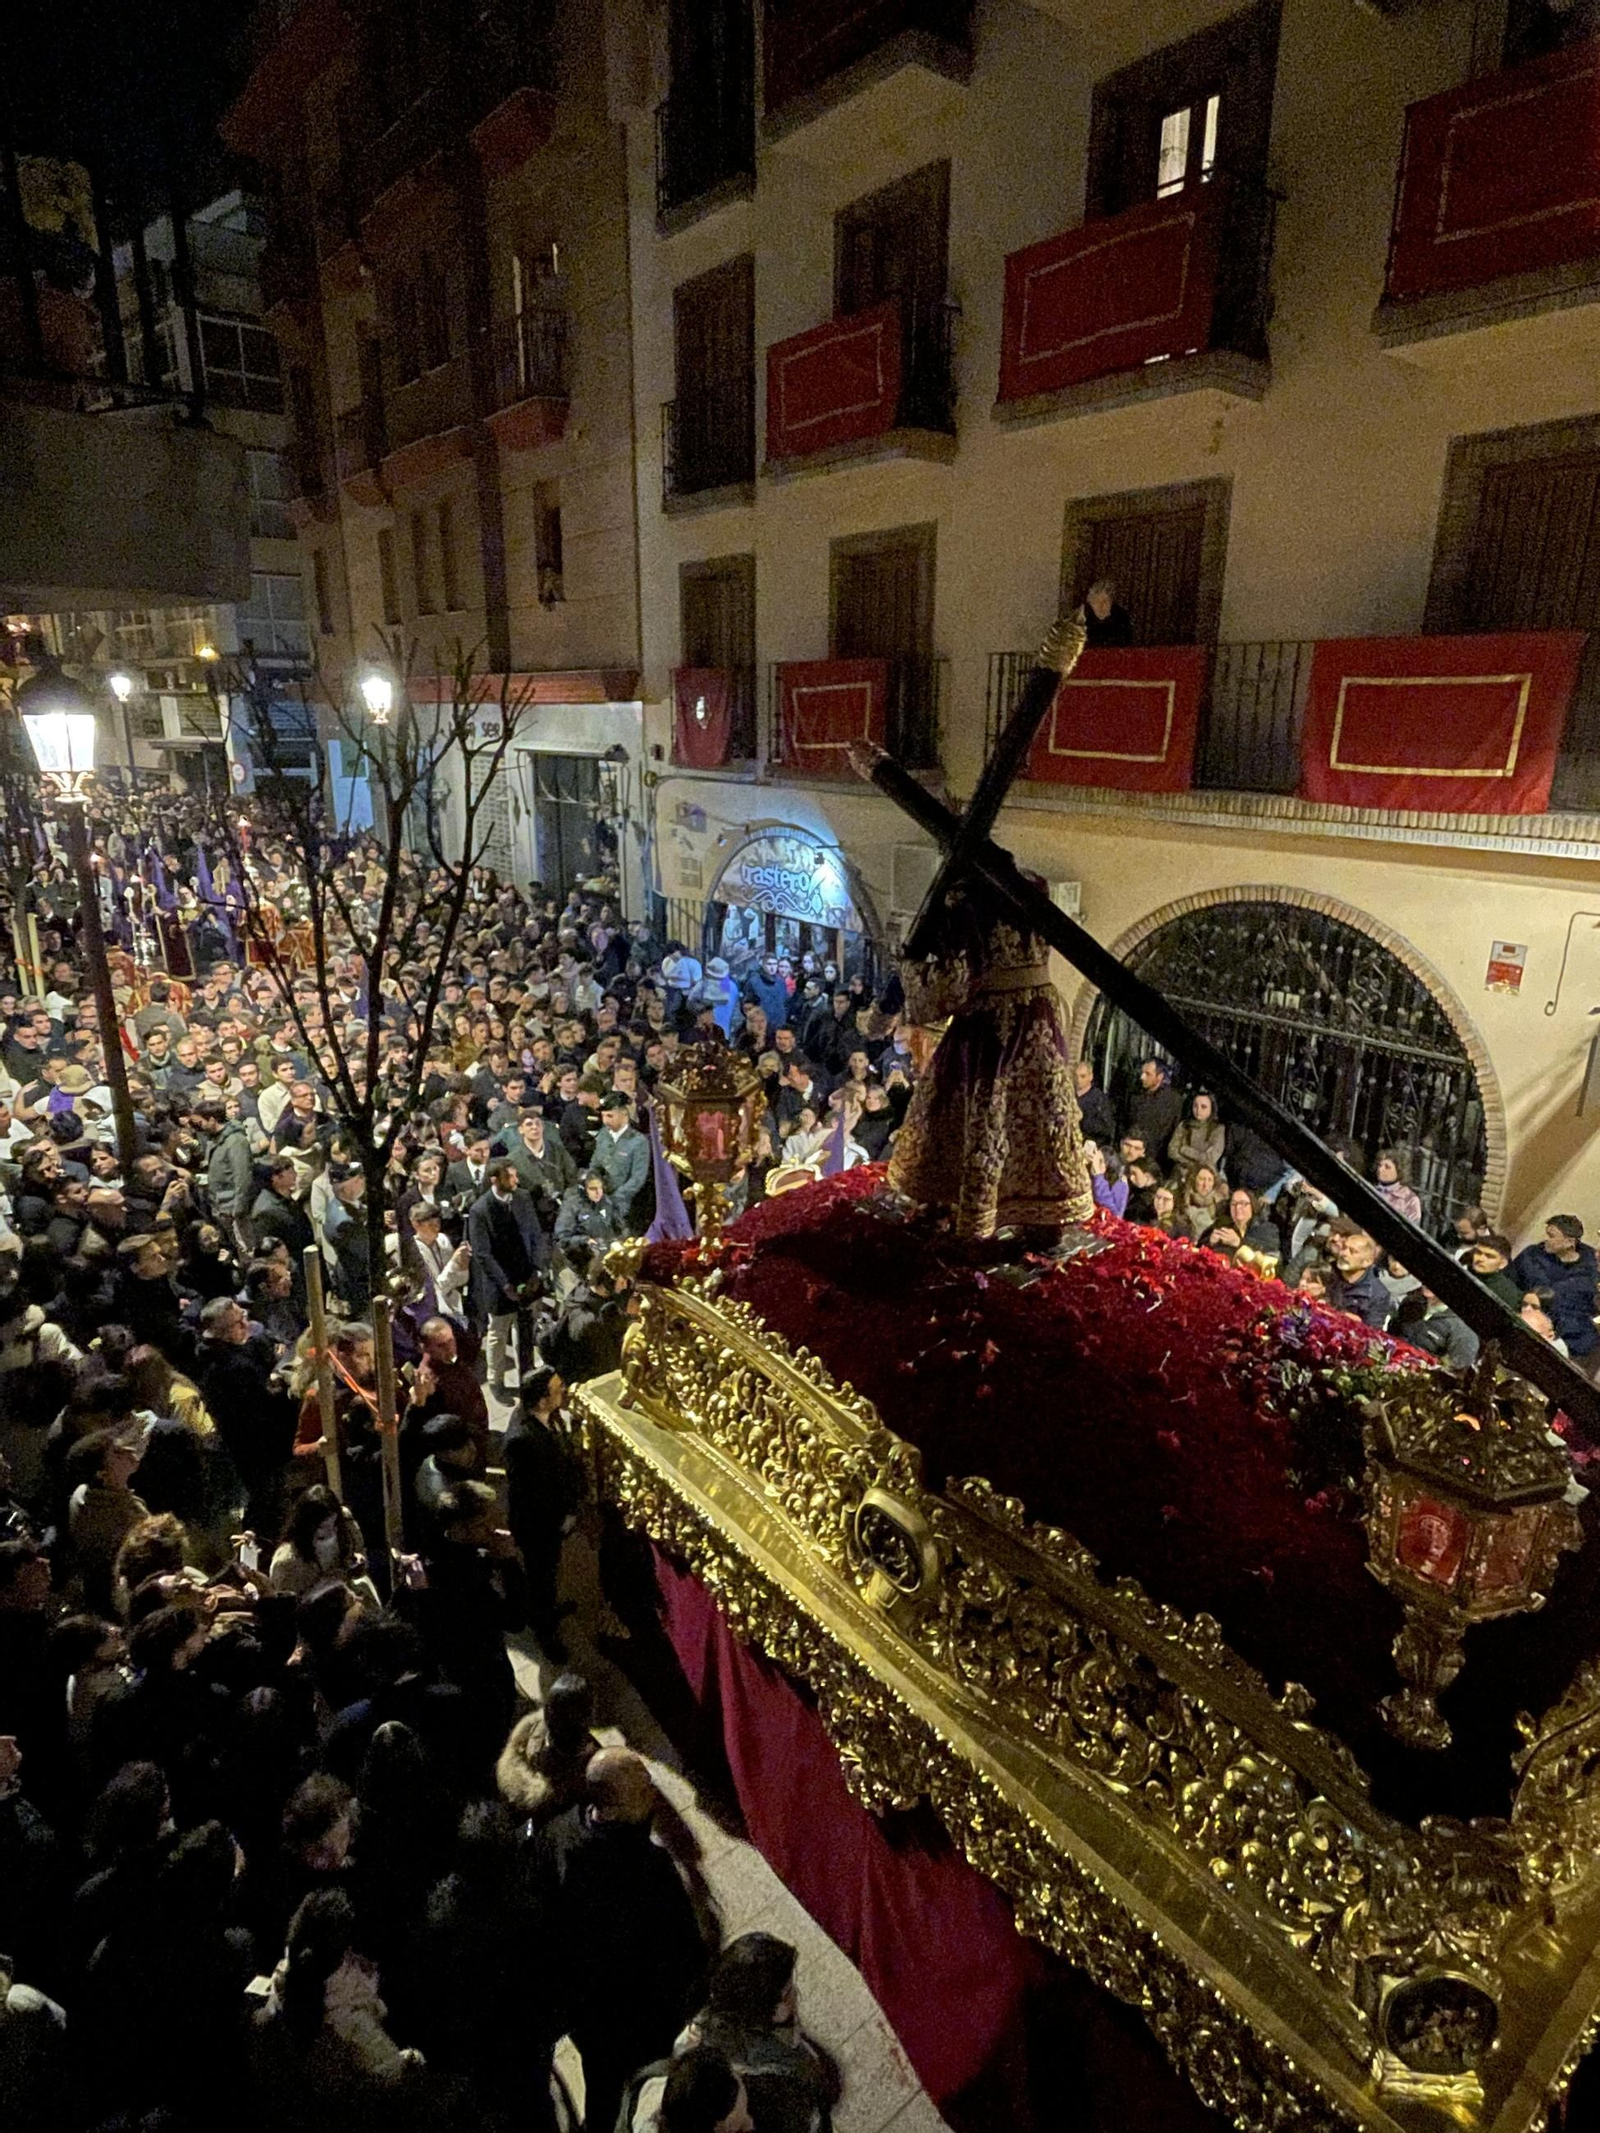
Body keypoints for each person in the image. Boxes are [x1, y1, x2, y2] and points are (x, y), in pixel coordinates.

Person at [886, 876, 1092, 1247]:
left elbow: (951, 987)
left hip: (991, 1024)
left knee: (982, 1116)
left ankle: (967, 1210)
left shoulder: (964, 904)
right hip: (1039, 1016)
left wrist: (910, 970)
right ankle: (1043, 1216)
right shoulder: (1034, 887)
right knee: (1041, 1116)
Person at [540, 1748, 717, 2133]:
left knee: (601, 2087)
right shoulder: (648, 1871)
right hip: (637, 2020)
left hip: (585, 2015)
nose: (654, 1794)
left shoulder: (557, 1832)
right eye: (643, 1790)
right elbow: (683, 1953)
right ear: (615, 1808)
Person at [681, 1932, 841, 2133]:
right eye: (786, 1992)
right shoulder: (783, 2076)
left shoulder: (714, 2018)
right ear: (762, 2008)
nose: (795, 1996)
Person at [500, 1364, 581, 1661]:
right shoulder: (521, 1440)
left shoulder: (547, 1417)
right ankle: (546, 1633)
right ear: (542, 1401)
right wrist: (562, 1517)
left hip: (551, 1518)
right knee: (540, 1579)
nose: (564, 1393)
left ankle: (547, 1609)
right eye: (558, 1390)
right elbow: (530, 1495)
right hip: (538, 1526)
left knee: (549, 1574)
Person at [467, 1159, 546, 1397]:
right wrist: (505, 1284)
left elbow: (534, 1233)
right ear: (495, 1180)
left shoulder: (522, 1197)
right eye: (510, 1177)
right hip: (500, 1283)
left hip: (527, 1276)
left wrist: (537, 1269)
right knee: (499, 1332)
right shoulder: (480, 1210)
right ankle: (496, 1381)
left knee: (526, 1327)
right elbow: (483, 1253)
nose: (516, 1180)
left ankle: (528, 1375)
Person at [1512, 1216, 1600, 1376]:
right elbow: (1510, 1284)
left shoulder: (1591, 1272)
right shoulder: (1530, 1257)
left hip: (1572, 1345)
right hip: (1529, 1330)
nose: (1546, 1241)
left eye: (1552, 1236)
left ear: (1569, 1242)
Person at [592, 1088, 650, 1232]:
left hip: (627, 1207)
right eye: (603, 1116)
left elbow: (637, 1178)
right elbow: (595, 1164)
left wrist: (614, 1198)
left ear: (624, 1114)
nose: (605, 1121)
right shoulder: (603, 1135)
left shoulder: (638, 1141)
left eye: (610, 1116)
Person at [1325, 1226, 1394, 1331]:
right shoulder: (1327, 1271)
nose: (1344, 1254)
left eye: (1352, 1251)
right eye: (1344, 1248)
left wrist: (1353, 1322)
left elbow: (1372, 1333)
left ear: (1367, 1261)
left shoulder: (1378, 1294)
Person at [1167, 1090, 1225, 1177]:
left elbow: (1210, 1158)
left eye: (1203, 1107)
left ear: (1211, 1108)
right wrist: (1193, 1162)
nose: (1198, 1110)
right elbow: (1172, 1151)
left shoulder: (1217, 1129)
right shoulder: (1184, 1125)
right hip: (1181, 1173)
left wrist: (1184, 1149)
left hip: (1204, 1176)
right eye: (1195, 1106)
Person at [1372, 1151, 1423, 1228]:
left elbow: (1410, 1230)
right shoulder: (1371, 1190)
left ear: (1399, 1171)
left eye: (1387, 1167)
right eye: (1379, 1165)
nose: (1380, 1169)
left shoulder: (1410, 1199)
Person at [1082, 576, 1133, 647]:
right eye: (1097, 601)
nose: (1101, 605)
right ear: (1090, 603)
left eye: (1106, 601)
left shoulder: (1121, 620)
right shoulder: (1081, 620)